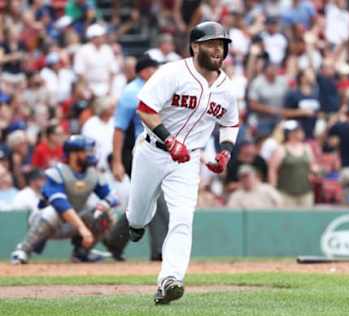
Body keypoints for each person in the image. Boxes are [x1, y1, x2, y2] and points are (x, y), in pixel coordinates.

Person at [126, 21, 239, 304]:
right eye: (212, 43)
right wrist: (169, 140)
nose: (218, 49)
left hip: (189, 159)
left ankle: (170, 279)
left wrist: (225, 151)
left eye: (222, 44)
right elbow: (145, 109)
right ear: (195, 46)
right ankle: (137, 223)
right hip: (153, 150)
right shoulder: (173, 72)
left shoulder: (226, 88)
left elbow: (230, 124)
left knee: (182, 217)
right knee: (137, 215)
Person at [10, 135, 118, 264]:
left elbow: (112, 197)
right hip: (45, 223)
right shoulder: (56, 173)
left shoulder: (92, 173)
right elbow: (60, 205)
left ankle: (82, 253)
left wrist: (105, 203)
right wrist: (82, 228)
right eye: (85, 151)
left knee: (107, 214)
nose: (90, 155)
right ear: (73, 154)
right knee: (52, 211)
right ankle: (23, 250)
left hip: (74, 223)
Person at [103, 54, 168, 262]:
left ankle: (114, 239)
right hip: (137, 151)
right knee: (155, 197)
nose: (157, 71)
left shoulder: (157, 89)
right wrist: (117, 162)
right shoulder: (132, 93)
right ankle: (159, 251)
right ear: (144, 71)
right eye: (153, 67)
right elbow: (119, 129)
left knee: (145, 198)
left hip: (155, 150)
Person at [268, 120, 318, 208]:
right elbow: (272, 170)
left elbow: (312, 165)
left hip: (305, 193)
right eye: (297, 130)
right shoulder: (281, 149)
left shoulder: (307, 148)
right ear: (290, 133)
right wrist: (274, 189)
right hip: (286, 194)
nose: (301, 132)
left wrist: (314, 172)